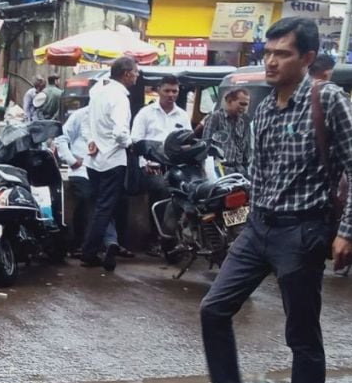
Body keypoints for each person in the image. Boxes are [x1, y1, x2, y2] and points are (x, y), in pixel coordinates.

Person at [194, 17, 352, 383]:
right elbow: (260, 175)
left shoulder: (326, 100)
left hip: (303, 231)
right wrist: (245, 223)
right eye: (268, 53)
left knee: (302, 335)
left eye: (283, 54)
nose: (272, 62)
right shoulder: (262, 110)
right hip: (259, 227)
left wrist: (348, 231)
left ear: (307, 58)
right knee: (214, 308)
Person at [83, 56, 138, 271]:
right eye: (135, 72)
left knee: (99, 206)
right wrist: (130, 143)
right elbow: (120, 132)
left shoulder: (98, 91)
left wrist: (92, 141)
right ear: (126, 74)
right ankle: (90, 251)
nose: (137, 76)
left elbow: (89, 122)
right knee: (105, 208)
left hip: (95, 158)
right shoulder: (119, 97)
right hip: (113, 159)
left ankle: (104, 245)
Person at [131, 74, 191, 256]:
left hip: (175, 166)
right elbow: (136, 141)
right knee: (161, 190)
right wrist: (146, 162)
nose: (171, 95)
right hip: (150, 164)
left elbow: (188, 142)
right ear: (158, 91)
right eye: (167, 91)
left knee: (191, 190)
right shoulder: (146, 113)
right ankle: (156, 238)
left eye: (175, 91)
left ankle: (184, 237)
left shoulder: (182, 115)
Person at [55, 105, 117, 257]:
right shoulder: (81, 115)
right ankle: (91, 242)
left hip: (104, 168)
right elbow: (61, 138)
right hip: (81, 170)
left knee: (111, 199)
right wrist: (71, 160)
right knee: (89, 197)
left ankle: (109, 242)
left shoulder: (113, 115)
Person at [202, 88, 252, 174]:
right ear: (229, 101)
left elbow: (246, 150)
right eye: (241, 104)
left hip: (239, 171)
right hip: (220, 170)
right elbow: (206, 145)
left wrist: (244, 169)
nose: (244, 108)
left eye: (246, 105)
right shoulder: (215, 118)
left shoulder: (243, 122)